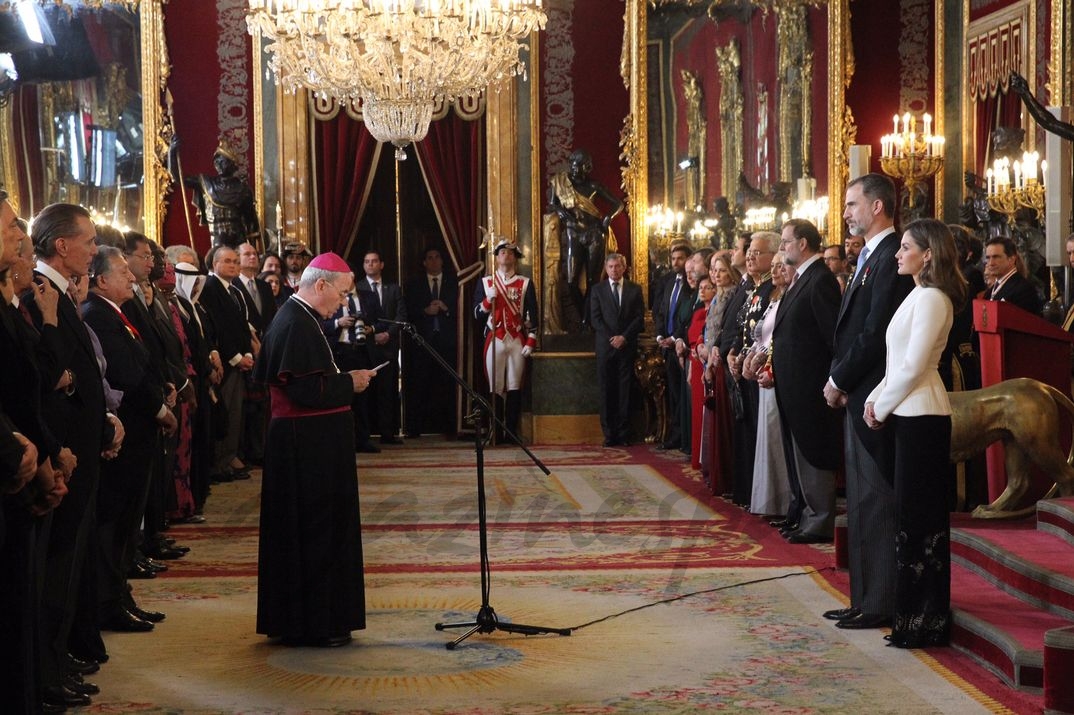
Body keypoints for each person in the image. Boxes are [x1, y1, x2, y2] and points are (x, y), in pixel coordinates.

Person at [254, 252, 376, 648]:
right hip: (304, 449)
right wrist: (350, 383)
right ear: (320, 285)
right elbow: (305, 391)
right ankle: (315, 623)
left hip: (308, 445)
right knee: (314, 533)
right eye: (341, 295)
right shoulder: (295, 323)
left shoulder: (301, 319)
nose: (343, 303)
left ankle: (306, 620)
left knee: (309, 534)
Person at [864, 219, 966, 649]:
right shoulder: (917, 295)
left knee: (921, 522)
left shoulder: (934, 299)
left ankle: (926, 621)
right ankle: (912, 618)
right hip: (908, 411)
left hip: (923, 414)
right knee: (910, 518)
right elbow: (895, 362)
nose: (897, 253)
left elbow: (915, 365)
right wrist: (875, 396)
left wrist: (880, 406)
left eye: (905, 247)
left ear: (928, 254)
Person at [825, 173, 914, 631]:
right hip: (860, 395)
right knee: (858, 502)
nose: (846, 213)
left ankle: (879, 600)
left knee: (876, 500)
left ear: (877, 207)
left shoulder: (891, 256)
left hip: (875, 396)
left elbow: (875, 331)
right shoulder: (869, 256)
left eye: (851, 204)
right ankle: (862, 598)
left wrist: (840, 377)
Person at [769, 219, 843, 542]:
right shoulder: (800, 279)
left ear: (802, 244)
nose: (782, 248)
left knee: (813, 453)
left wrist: (832, 382)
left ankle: (820, 519)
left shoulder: (820, 280)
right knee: (796, 452)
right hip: (792, 387)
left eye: (785, 242)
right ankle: (802, 513)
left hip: (812, 388)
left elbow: (833, 338)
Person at [547, 148, 625, 330]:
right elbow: (553, 204)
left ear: (587, 168)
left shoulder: (593, 186)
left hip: (595, 234)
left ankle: (587, 322)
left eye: (579, 167)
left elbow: (618, 204)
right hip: (574, 233)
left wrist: (608, 217)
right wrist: (561, 212)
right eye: (573, 166)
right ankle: (585, 315)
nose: (575, 170)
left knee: (593, 281)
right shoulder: (560, 182)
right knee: (571, 281)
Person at [197, 246, 255, 482]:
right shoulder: (210, 288)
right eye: (227, 261)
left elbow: (242, 325)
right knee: (224, 412)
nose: (233, 265)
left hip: (240, 360)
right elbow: (218, 327)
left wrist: (248, 352)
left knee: (235, 413)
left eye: (235, 261)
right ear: (214, 264)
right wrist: (235, 357)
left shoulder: (235, 290)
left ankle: (229, 457)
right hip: (225, 363)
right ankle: (219, 463)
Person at [741, 251, 790, 518]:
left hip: (775, 374)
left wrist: (767, 364)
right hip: (762, 372)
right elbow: (760, 335)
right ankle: (767, 501)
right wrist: (750, 357)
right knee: (766, 437)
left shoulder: (790, 297)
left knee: (776, 437)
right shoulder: (773, 297)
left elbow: (780, 340)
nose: (775, 271)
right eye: (772, 267)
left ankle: (782, 503)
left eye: (780, 266)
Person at [474, 239, 538, 440]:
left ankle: (511, 431)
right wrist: (486, 301)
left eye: (510, 252)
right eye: (502, 252)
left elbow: (533, 315)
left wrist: (531, 340)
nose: (506, 255)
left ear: (515, 257)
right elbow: (476, 314)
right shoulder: (486, 282)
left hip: (517, 339)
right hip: (495, 338)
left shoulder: (525, 283)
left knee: (514, 385)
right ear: (496, 256)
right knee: (495, 385)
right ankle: (495, 431)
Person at [588, 253, 643, 447]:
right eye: (610, 267)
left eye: (617, 266)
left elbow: (639, 318)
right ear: (606, 267)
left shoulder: (635, 290)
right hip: (605, 347)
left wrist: (624, 337)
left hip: (626, 346)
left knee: (625, 390)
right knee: (606, 390)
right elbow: (595, 319)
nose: (614, 270)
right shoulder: (597, 290)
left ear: (624, 267)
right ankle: (609, 434)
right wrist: (612, 338)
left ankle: (623, 433)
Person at [403, 247, 458, 438]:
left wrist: (446, 308)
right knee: (420, 385)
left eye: (437, 257)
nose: (433, 261)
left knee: (447, 385)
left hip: (447, 343)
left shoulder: (455, 283)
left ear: (442, 261)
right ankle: (415, 428)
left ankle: (450, 428)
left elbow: (462, 309)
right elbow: (407, 311)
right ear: (424, 262)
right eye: (429, 258)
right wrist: (425, 311)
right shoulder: (414, 284)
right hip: (422, 343)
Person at [169, 138, 260, 249]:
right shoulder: (206, 183)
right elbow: (178, 178)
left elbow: (251, 222)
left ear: (232, 164)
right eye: (217, 161)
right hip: (217, 241)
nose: (218, 164)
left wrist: (255, 249)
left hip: (239, 240)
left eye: (223, 161)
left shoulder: (243, 189)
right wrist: (172, 153)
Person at [698, 253, 740, 496]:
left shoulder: (732, 294)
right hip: (710, 359)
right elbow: (709, 330)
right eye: (714, 270)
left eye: (721, 270)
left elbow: (726, 331)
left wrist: (713, 360)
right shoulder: (717, 297)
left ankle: (723, 476)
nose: (716, 275)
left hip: (721, 361)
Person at [361, 251, 406, 444]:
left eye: (374, 261)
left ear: (382, 264)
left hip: (389, 346)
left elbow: (401, 315)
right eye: (367, 261)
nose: (370, 264)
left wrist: (388, 333)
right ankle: (366, 434)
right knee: (365, 392)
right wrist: (372, 334)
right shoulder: (357, 288)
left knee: (387, 391)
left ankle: (388, 433)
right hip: (365, 347)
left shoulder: (394, 289)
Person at [651, 243, 692, 449]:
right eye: (673, 258)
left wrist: (675, 337)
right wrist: (660, 336)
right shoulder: (668, 282)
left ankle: (682, 436)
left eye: (680, 258)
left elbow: (688, 317)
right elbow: (659, 310)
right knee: (673, 393)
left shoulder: (691, 283)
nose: (676, 262)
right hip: (667, 346)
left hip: (682, 345)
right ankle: (675, 435)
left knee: (683, 394)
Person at [983, 236, 1041, 314]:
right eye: (988, 258)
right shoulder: (989, 292)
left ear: (1012, 259)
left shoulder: (1024, 290)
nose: (990, 263)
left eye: (996, 257)